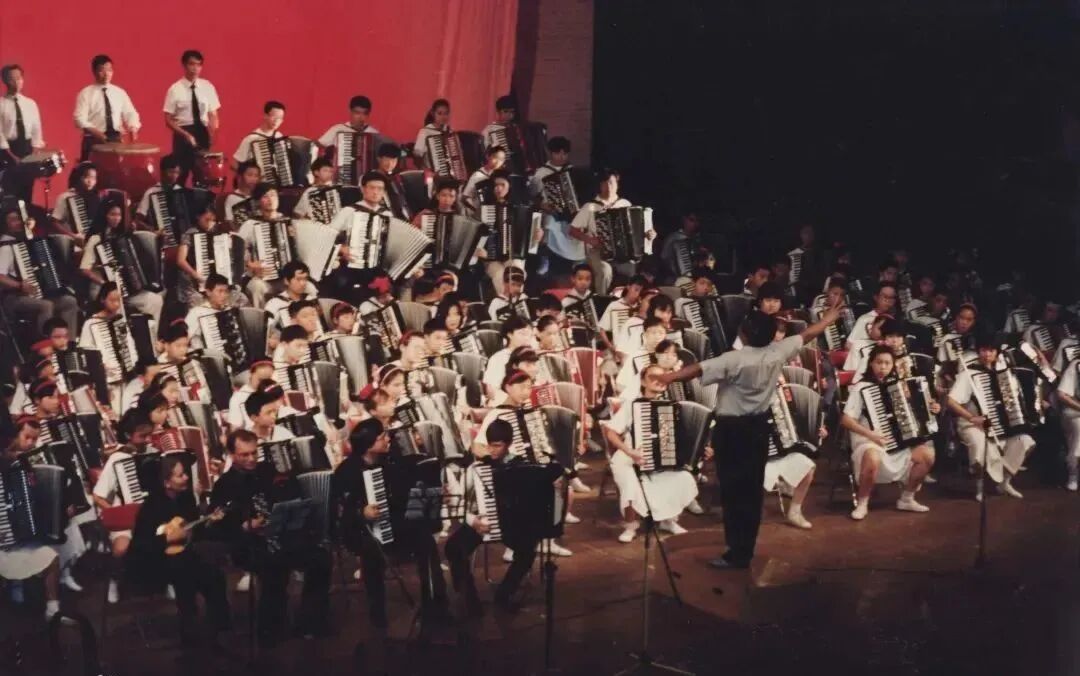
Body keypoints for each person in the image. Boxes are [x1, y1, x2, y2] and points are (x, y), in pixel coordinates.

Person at [658, 300, 843, 569]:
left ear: (743, 334)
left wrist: (667, 378)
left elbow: (695, 370)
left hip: (731, 431)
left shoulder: (733, 359)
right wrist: (827, 320)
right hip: (758, 427)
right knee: (752, 492)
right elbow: (806, 335)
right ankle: (745, 550)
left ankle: (735, 551)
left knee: (733, 491)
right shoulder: (778, 351)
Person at [210, 430, 331, 644]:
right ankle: (270, 631)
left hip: (281, 537)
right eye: (244, 455)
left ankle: (309, 622)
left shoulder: (267, 471)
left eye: (254, 453)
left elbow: (288, 494)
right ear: (231, 454)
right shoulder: (224, 485)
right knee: (273, 565)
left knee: (321, 558)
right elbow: (218, 527)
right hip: (248, 544)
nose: (251, 459)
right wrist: (245, 525)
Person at [331, 418, 450, 633]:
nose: (388, 439)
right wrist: (361, 513)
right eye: (382, 437)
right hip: (360, 531)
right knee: (372, 550)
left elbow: (408, 489)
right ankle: (377, 614)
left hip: (393, 523)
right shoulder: (346, 471)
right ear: (368, 444)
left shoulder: (392, 461)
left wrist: (432, 492)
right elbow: (338, 512)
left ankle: (435, 605)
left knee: (425, 540)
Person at [445, 418, 564, 615]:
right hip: (484, 523)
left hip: (514, 526)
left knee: (527, 552)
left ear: (508, 444)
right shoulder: (477, 469)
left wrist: (556, 486)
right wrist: (473, 521)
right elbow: (458, 502)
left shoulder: (525, 467)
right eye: (490, 445)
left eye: (498, 446)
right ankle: (469, 598)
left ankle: (504, 594)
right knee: (453, 548)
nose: (492, 451)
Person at [127, 454, 231, 645]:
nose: (186, 478)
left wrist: (209, 522)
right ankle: (190, 634)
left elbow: (194, 529)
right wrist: (167, 538)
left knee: (214, 575)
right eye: (180, 475)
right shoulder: (151, 507)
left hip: (181, 556)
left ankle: (219, 629)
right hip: (153, 562)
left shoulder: (186, 498)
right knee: (185, 573)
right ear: (167, 482)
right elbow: (139, 546)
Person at [602, 364, 701, 543]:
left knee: (682, 477)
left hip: (663, 457)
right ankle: (631, 526)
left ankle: (668, 520)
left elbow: (684, 437)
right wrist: (630, 452)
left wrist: (700, 448)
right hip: (629, 456)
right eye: (652, 377)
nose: (658, 381)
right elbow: (611, 432)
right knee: (630, 482)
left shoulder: (675, 407)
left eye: (662, 377)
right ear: (642, 382)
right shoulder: (632, 405)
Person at [843, 345, 938, 518]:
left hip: (901, 443)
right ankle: (863, 503)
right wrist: (871, 435)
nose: (883, 367)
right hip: (868, 440)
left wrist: (931, 407)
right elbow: (846, 420)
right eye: (879, 362)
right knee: (872, 457)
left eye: (887, 363)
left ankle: (907, 499)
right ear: (871, 364)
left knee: (928, 455)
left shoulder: (901, 385)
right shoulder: (862, 387)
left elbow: (921, 409)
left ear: (893, 365)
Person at [946, 334, 1035, 501]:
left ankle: (1004, 482)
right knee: (979, 447)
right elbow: (951, 401)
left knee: (1025, 441)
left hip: (1003, 424)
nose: (987, 354)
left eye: (991, 350)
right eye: (983, 350)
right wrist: (972, 418)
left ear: (997, 352)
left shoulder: (1006, 372)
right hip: (973, 424)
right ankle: (979, 487)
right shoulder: (969, 373)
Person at [0, 426, 65, 622]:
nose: (14, 455)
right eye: (10, 451)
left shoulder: (19, 470)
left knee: (51, 557)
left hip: (22, 540)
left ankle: (53, 609)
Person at [92, 410, 157, 603]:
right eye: (142, 436)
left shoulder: (153, 454)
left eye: (149, 435)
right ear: (128, 435)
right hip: (126, 519)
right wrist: (117, 514)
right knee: (121, 549)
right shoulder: (118, 459)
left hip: (152, 515)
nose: (147, 440)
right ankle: (114, 579)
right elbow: (98, 496)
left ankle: (166, 579)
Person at [78, 198, 165, 325]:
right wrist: (106, 283)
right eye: (112, 214)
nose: (116, 218)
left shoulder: (125, 237)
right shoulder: (96, 239)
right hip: (102, 288)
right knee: (115, 304)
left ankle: (149, 333)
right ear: (105, 216)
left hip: (126, 290)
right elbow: (84, 269)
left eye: (119, 215)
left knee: (155, 300)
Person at [0, 204, 79, 334]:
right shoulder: (5, 247)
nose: (18, 223)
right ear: (5, 224)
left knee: (69, 302)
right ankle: (45, 344)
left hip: (37, 295)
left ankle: (68, 344)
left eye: (19, 219)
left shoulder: (25, 241)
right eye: (13, 220)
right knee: (46, 305)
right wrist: (19, 285)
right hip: (13, 298)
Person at [568, 168, 634, 295]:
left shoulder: (625, 204)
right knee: (605, 270)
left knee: (631, 268)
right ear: (600, 185)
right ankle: (601, 299)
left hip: (622, 252)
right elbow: (572, 230)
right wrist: (590, 240)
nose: (608, 187)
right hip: (597, 252)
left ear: (617, 184)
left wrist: (648, 233)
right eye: (604, 183)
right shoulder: (590, 206)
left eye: (611, 183)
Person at [163, 50, 221, 185]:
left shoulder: (207, 86)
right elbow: (168, 119)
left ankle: (200, 198)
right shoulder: (175, 89)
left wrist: (213, 132)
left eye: (198, 65)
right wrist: (186, 135)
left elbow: (213, 113)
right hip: (183, 133)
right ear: (184, 65)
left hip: (202, 132)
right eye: (192, 64)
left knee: (202, 175)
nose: (195, 68)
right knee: (181, 174)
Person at [73, 54, 140, 161]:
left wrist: (133, 127)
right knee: (91, 168)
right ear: (94, 72)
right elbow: (79, 119)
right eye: (102, 70)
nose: (106, 74)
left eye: (109, 70)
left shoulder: (119, 92)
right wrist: (97, 133)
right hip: (93, 138)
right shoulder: (86, 93)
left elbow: (130, 112)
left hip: (115, 139)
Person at [0, 64, 45, 202]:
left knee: (27, 192)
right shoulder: (1, 104)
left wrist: (35, 151)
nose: (16, 82)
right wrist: (11, 155)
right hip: (8, 151)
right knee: (9, 193)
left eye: (19, 78)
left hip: (27, 149)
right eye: (12, 79)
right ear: (5, 81)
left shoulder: (30, 103)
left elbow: (36, 129)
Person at [232, 100, 286, 172]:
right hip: (259, 178)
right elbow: (234, 163)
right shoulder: (251, 138)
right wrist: (249, 175)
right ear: (265, 116)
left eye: (280, 118)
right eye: (273, 116)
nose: (276, 120)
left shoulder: (279, 136)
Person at [847, 282, 898, 347]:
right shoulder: (864, 319)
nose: (888, 301)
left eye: (892, 297)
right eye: (885, 296)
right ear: (876, 297)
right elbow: (849, 345)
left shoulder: (897, 320)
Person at [462, 145, 507, 218]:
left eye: (501, 159)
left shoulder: (501, 176)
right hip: (478, 215)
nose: (498, 162)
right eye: (495, 157)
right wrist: (477, 210)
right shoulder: (478, 175)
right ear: (488, 156)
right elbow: (465, 197)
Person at [659, 213, 702, 283]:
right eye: (691, 220)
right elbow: (663, 258)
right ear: (684, 219)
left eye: (697, 221)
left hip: (695, 280)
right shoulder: (673, 238)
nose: (695, 224)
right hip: (674, 279)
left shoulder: (697, 239)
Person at [412, 98, 452, 168]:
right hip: (431, 172)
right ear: (433, 114)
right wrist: (426, 170)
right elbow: (417, 157)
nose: (443, 117)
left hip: (450, 172)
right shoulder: (425, 132)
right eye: (439, 113)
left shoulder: (450, 131)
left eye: (446, 113)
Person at [223, 160, 261, 225]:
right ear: (240, 176)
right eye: (249, 175)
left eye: (256, 176)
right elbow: (229, 222)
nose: (253, 179)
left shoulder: (260, 195)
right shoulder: (232, 198)